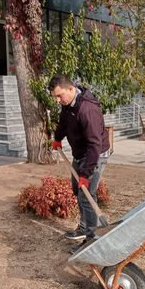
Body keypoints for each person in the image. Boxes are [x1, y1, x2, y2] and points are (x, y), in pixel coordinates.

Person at [49, 75, 110, 249]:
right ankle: (84, 228)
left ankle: (91, 241)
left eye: (59, 96)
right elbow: (63, 122)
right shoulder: (68, 105)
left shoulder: (87, 110)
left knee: (87, 196)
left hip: (95, 155)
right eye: (55, 97)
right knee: (77, 190)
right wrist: (58, 138)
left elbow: (94, 144)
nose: (58, 100)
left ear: (70, 89)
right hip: (81, 153)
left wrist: (86, 173)